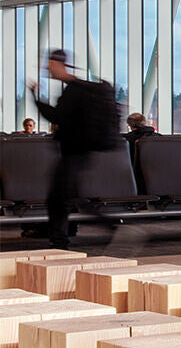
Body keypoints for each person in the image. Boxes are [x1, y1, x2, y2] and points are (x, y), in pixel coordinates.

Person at [27, 49, 118, 247]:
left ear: (60, 65)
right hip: (78, 151)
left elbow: (56, 117)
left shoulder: (74, 91)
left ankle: (60, 240)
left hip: (74, 152)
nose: (48, 70)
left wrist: (36, 97)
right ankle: (69, 234)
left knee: (58, 198)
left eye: (50, 65)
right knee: (72, 198)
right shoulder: (80, 89)